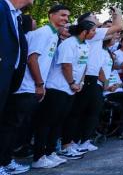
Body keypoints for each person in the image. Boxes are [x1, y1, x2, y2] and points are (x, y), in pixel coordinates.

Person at [0, 3, 67, 174]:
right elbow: (32, 59)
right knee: (10, 127)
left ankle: (7, 161)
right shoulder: (43, 33)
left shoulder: (52, 35)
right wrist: (39, 84)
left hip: (32, 88)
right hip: (26, 88)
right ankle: (3, 163)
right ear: (51, 15)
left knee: (16, 128)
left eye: (67, 16)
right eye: (62, 15)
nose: (65, 19)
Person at [33, 19, 97, 167]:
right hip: (58, 87)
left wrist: (79, 83)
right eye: (93, 30)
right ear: (84, 31)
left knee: (59, 122)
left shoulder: (86, 45)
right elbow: (66, 65)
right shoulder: (69, 44)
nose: (95, 33)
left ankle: (50, 152)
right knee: (47, 122)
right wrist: (71, 83)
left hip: (71, 89)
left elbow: (84, 66)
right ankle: (38, 157)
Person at [59, 9, 123, 156]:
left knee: (90, 111)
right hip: (85, 77)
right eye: (94, 17)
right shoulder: (92, 33)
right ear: (86, 23)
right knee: (77, 112)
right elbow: (118, 26)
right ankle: (69, 143)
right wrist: (118, 13)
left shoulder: (94, 34)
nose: (97, 18)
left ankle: (81, 141)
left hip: (91, 77)